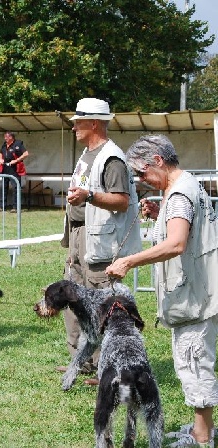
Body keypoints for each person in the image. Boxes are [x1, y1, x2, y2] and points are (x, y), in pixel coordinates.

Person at [106, 134, 218, 448]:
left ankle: (202, 438)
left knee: (194, 362)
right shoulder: (187, 184)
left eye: (142, 173)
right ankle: (201, 427)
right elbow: (186, 231)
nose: (141, 181)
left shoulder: (179, 193)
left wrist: (128, 261)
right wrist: (160, 217)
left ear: (158, 160)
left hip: (194, 296)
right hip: (199, 291)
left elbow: (177, 243)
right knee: (193, 360)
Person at [59, 97, 141, 385]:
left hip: (101, 241)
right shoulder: (86, 155)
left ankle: (105, 367)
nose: (73, 128)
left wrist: (89, 196)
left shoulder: (112, 159)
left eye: (78, 122)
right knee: (74, 295)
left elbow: (121, 201)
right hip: (80, 234)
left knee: (104, 305)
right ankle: (79, 361)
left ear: (93, 123)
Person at [0, 131, 29, 211]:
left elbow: (26, 154)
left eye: (6, 137)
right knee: (3, 187)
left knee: (15, 187)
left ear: (11, 137)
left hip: (14, 168)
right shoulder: (4, 145)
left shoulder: (18, 144)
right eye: (5, 137)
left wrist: (16, 160)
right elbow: (0, 152)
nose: (5, 139)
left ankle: (15, 207)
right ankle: (2, 206)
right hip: (5, 167)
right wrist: (0, 159)